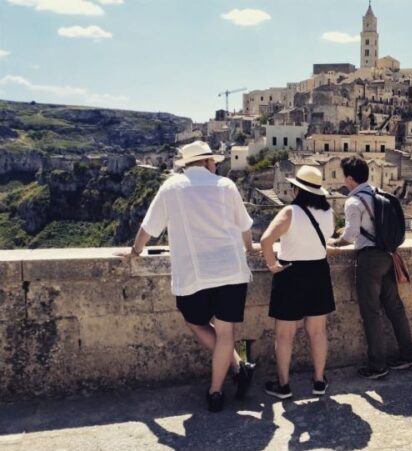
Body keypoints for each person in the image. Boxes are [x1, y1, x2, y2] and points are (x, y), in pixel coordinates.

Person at [121, 141, 257, 413]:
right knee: (226, 332)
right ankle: (225, 382)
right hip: (230, 268)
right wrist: (250, 250)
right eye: (214, 161)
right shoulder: (226, 186)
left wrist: (135, 251)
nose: (216, 165)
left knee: (196, 323)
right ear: (207, 162)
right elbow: (244, 226)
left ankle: (225, 382)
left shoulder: (172, 186)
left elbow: (149, 227)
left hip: (193, 272)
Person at [327, 156, 412, 379]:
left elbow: (350, 235)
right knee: (394, 307)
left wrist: (333, 243)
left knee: (371, 312)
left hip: (369, 259)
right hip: (388, 254)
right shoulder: (379, 193)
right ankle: (408, 354)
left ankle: (377, 365)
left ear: (349, 178)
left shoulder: (354, 201)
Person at [260, 165, 336, 399]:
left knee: (284, 335)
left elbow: (265, 240)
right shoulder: (329, 212)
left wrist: (272, 265)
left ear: (297, 190)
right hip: (319, 272)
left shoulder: (290, 212)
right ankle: (319, 381)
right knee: (318, 332)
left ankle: (283, 385)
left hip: (291, 273)